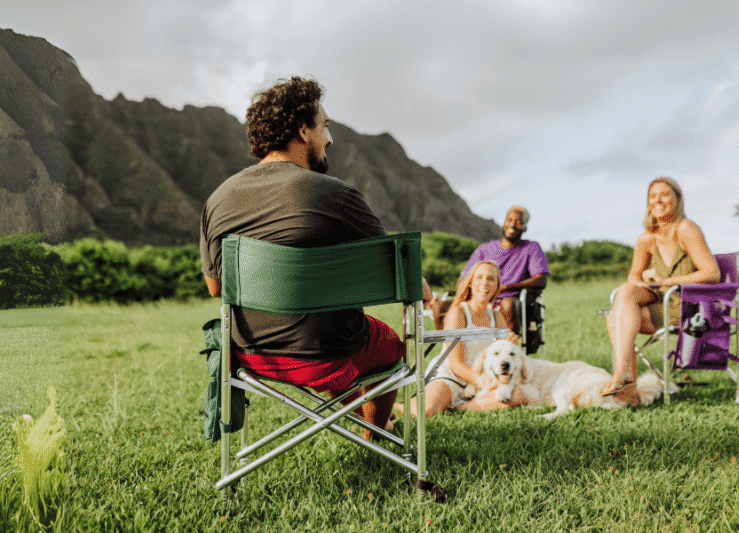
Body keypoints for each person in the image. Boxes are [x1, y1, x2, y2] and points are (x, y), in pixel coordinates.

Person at [199, 76, 434, 440]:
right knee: (386, 345)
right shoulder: (335, 194)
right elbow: (402, 277)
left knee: (337, 337)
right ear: (303, 131)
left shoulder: (218, 198)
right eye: (325, 126)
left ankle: (365, 423)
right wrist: (427, 290)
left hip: (251, 355)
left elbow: (216, 287)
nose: (330, 138)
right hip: (325, 356)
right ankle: (376, 433)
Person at [603, 177, 719, 404]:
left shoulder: (686, 229)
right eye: (652, 196)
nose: (658, 200)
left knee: (614, 318)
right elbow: (633, 276)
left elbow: (711, 273)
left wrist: (668, 280)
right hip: (659, 300)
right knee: (625, 291)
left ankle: (627, 388)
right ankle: (624, 377)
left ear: (677, 199)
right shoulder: (646, 238)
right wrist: (644, 279)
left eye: (665, 194)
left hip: (686, 307)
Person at [401, 261, 524, 417]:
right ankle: (399, 407)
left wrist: (510, 344)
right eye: (479, 278)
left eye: (491, 279)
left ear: (497, 286)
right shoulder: (458, 313)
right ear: (470, 283)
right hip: (452, 375)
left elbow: (502, 354)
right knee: (426, 410)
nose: (485, 283)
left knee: (518, 396)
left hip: (481, 378)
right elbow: (456, 364)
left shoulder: (496, 315)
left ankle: (459, 408)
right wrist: (481, 381)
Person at [460, 206, 549, 333]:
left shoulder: (531, 248)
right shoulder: (484, 249)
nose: (513, 225)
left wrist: (507, 287)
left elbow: (541, 280)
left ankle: (509, 346)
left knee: (508, 304)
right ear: (504, 223)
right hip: (481, 298)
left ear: (525, 228)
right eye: (509, 220)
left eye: (519, 222)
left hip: (510, 301)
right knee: (441, 306)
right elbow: (463, 279)